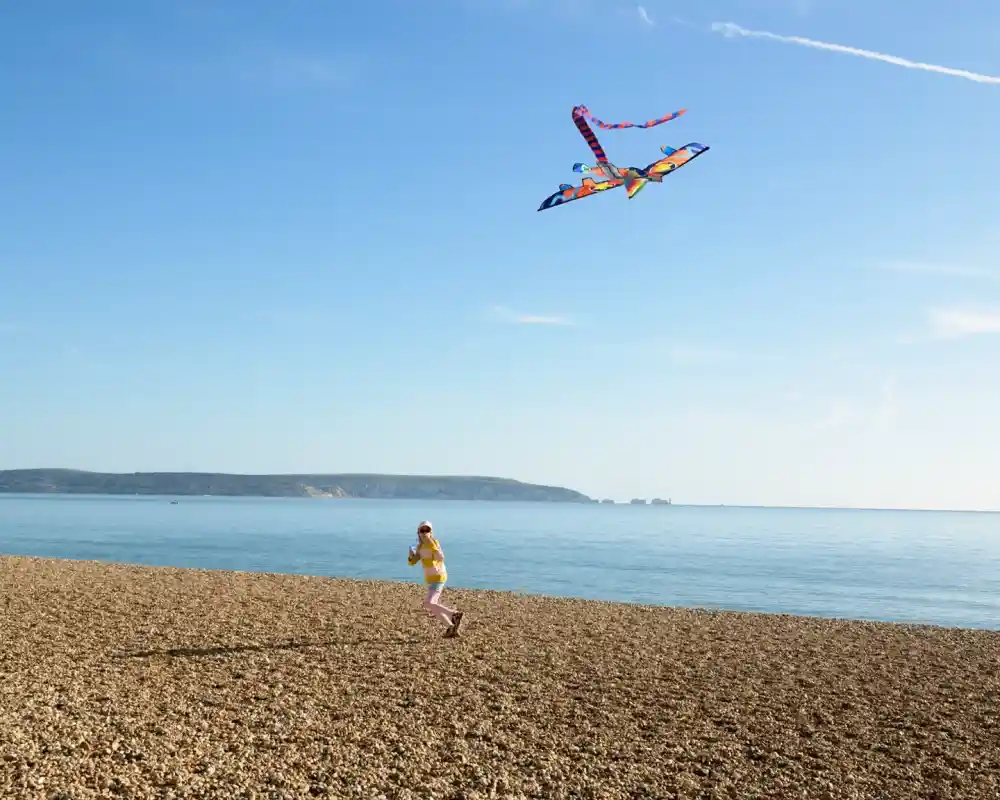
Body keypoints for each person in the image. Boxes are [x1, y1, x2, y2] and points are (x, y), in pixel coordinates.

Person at [408, 520, 464, 637]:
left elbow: (440, 557)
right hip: (430, 579)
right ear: (418, 532)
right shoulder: (420, 547)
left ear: (431, 532)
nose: (424, 532)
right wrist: (411, 555)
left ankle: (454, 614)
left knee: (429, 603)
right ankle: (450, 627)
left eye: (427, 530)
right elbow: (413, 562)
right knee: (432, 605)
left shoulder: (434, 543)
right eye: (422, 530)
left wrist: (432, 545)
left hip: (439, 576)